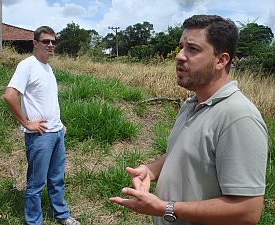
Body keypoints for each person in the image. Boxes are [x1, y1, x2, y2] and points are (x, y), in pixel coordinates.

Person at [110, 15, 268, 225]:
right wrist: (151, 169)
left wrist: (166, 208)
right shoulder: (192, 103)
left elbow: (248, 212)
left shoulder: (239, 118)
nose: (179, 56)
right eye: (181, 47)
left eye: (192, 49)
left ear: (221, 60)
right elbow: (183, 153)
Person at [3, 26, 80, 225]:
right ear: (35, 43)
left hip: (56, 133)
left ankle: (62, 215)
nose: (51, 45)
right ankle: (33, 221)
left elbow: (47, 100)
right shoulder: (27, 65)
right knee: (36, 183)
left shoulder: (47, 67)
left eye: (53, 41)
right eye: (46, 41)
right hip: (40, 136)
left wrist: (60, 123)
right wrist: (27, 123)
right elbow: (9, 96)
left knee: (57, 179)